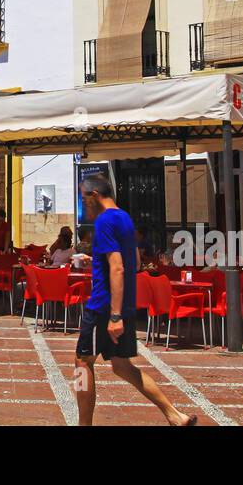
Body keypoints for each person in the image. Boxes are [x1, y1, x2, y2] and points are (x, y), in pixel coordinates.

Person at [73, 174, 195, 428]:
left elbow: (117, 268)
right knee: (121, 366)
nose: (83, 204)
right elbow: (135, 263)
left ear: (95, 195)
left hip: (104, 307)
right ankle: (175, 415)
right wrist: (94, 260)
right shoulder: (124, 218)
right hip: (124, 304)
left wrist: (114, 315)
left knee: (82, 364)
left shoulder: (104, 221)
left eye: (84, 197)